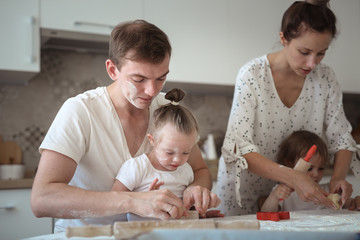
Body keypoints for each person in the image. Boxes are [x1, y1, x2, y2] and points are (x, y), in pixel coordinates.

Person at [31, 20, 215, 232]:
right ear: (112, 70)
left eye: (161, 78)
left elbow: (200, 169)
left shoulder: (166, 107)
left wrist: (196, 189)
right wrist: (132, 201)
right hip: (87, 236)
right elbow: (42, 199)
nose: (151, 91)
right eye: (139, 79)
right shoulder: (80, 111)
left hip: (149, 234)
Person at [216, 0, 360, 216]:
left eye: (321, 53)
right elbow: (240, 148)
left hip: (294, 198)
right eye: (304, 52)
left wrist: (339, 177)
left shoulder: (326, 78)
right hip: (243, 191)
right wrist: (294, 177)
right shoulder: (252, 75)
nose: (312, 63)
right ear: (283, 38)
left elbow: (342, 138)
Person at [112, 88, 222, 220]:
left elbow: (184, 209)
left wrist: (198, 213)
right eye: (169, 152)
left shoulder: (186, 171)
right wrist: (141, 199)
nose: (178, 159)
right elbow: (114, 200)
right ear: (152, 140)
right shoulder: (137, 167)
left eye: (186, 152)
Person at [260, 130, 360, 212]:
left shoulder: (328, 190)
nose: (316, 174)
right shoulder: (284, 191)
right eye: (309, 168)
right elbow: (265, 212)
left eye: (321, 168)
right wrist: (274, 197)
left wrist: (354, 202)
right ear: (289, 164)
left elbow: (347, 203)